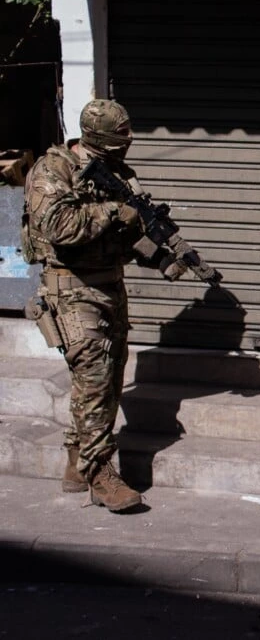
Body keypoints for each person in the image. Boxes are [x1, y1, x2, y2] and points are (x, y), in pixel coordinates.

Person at [21, 99, 147, 513]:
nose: (127, 143)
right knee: (93, 379)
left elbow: (129, 225)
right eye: (120, 136)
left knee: (109, 380)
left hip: (110, 286)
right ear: (97, 136)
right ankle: (100, 474)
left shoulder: (116, 172)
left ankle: (77, 465)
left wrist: (156, 247)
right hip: (72, 290)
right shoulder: (52, 169)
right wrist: (115, 211)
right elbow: (59, 227)